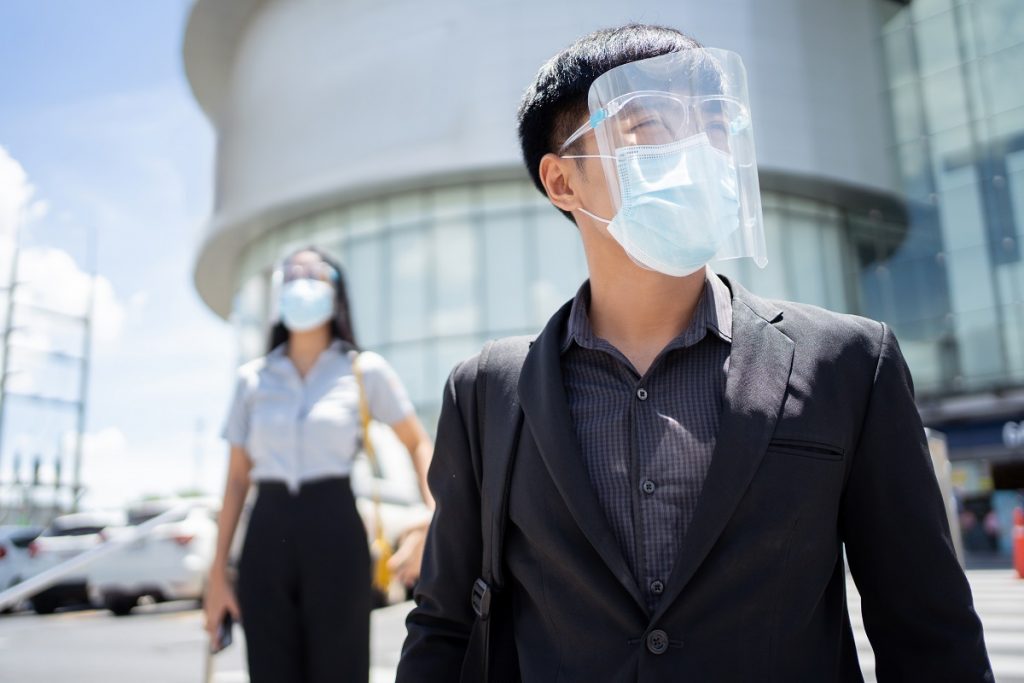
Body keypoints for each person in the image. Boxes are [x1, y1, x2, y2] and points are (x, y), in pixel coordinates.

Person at [397, 25, 993, 682]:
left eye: (714, 123)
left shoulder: (849, 363)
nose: (698, 149)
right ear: (563, 180)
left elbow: (930, 632)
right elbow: (444, 624)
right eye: (649, 125)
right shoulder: (488, 392)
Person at [205, 247, 434, 682]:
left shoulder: (364, 370)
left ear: (337, 292)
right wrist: (218, 574)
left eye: (314, 272)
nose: (300, 280)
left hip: (335, 531)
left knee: (340, 669)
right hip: (266, 534)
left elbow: (418, 443)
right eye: (290, 274)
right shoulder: (253, 379)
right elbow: (236, 481)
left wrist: (432, 516)